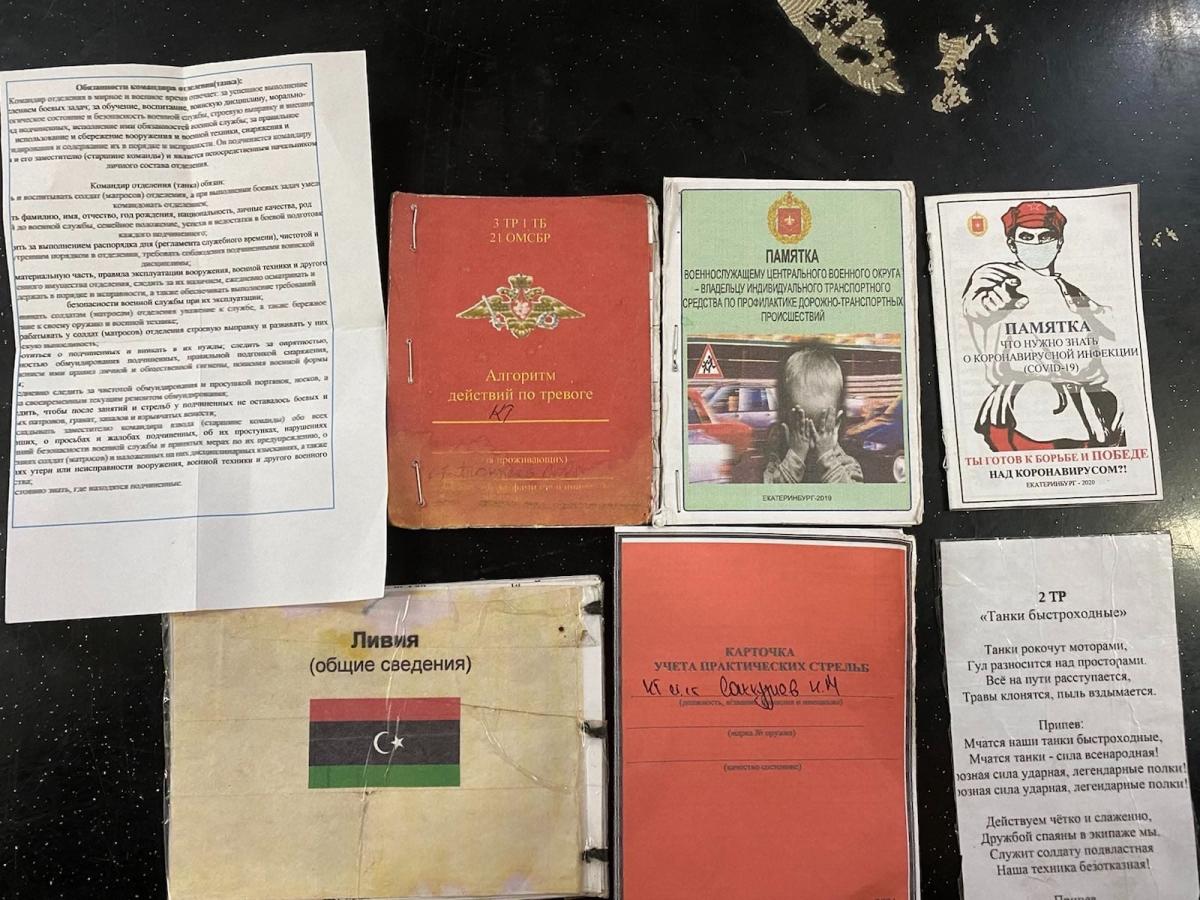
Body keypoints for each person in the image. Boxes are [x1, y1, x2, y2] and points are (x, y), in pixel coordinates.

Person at [963, 200, 1124, 451]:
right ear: (1012, 244)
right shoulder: (998, 275)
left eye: (1045, 237)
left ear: (1058, 242)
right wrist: (999, 297)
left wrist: (1092, 310)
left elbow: (1116, 328)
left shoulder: (1070, 290)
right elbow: (976, 304)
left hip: (1088, 406)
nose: (1036, 244)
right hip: (1028, 407)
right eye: (1026, 237)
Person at [763, 345, 862, 483]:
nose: (809, 444)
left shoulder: (847, 465)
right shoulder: (777, 461)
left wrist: (827, 459)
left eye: (819, 430)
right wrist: (796, 456)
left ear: (836, 425)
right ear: (787, 424)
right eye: (801, 429)